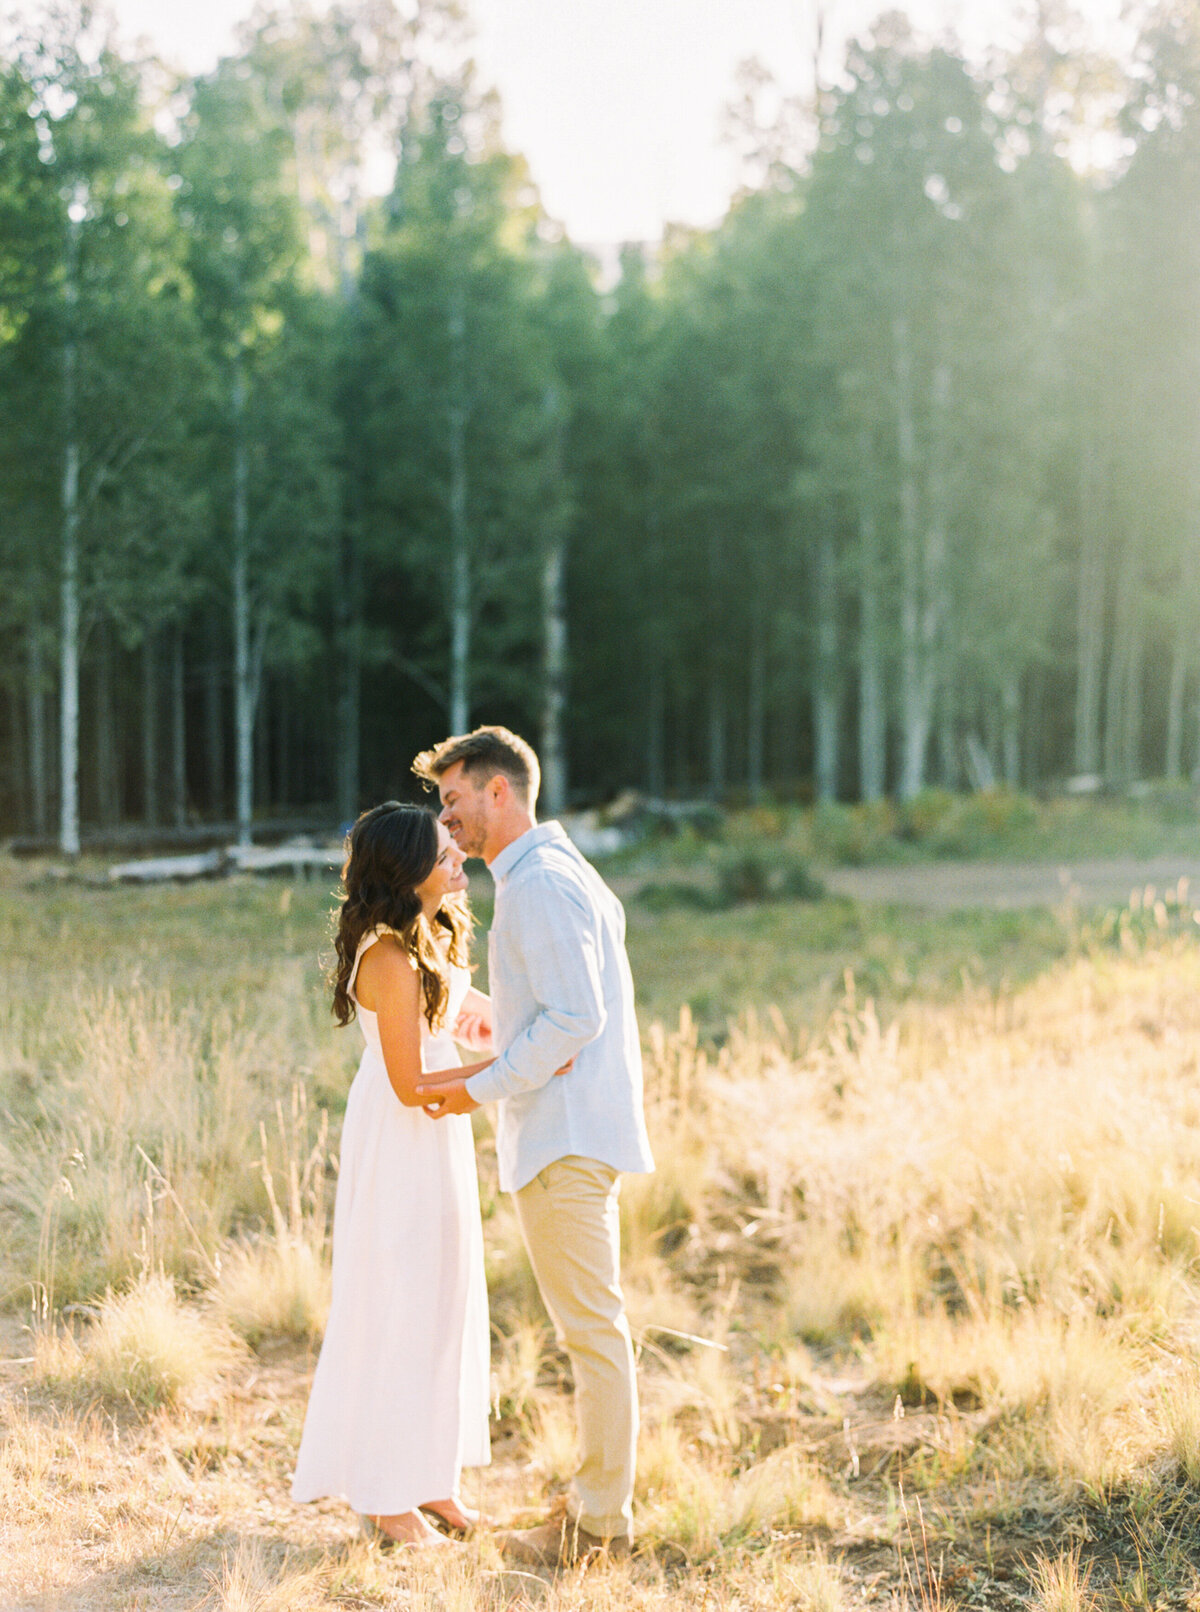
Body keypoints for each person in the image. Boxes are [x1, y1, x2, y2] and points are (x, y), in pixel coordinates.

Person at [412, 726, 655, 1569]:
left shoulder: (540, 884)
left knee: (593, 1333)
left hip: (564, 1141)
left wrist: (474, 1088)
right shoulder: (551, 873)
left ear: (499, 792)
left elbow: (574, 1020)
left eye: (454, 802)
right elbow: (551, 1015)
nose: (447, 824)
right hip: (571, 1132)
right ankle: (597, 1504)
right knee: (593, 1329)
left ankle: (597, 1527)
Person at [291, 802, 494, 1548]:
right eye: (445, 852)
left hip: (437, 1140)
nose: (459, 859)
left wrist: (523, 1035)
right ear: (409, 869)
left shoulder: (431, 938)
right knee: (401, 1304)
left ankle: (432, 1476)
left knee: (443, 1301)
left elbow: (461, 1030)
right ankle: (383, 1495)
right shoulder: (389, 957)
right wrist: (511, 1071)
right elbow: (413, 1085)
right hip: (404, 1136)